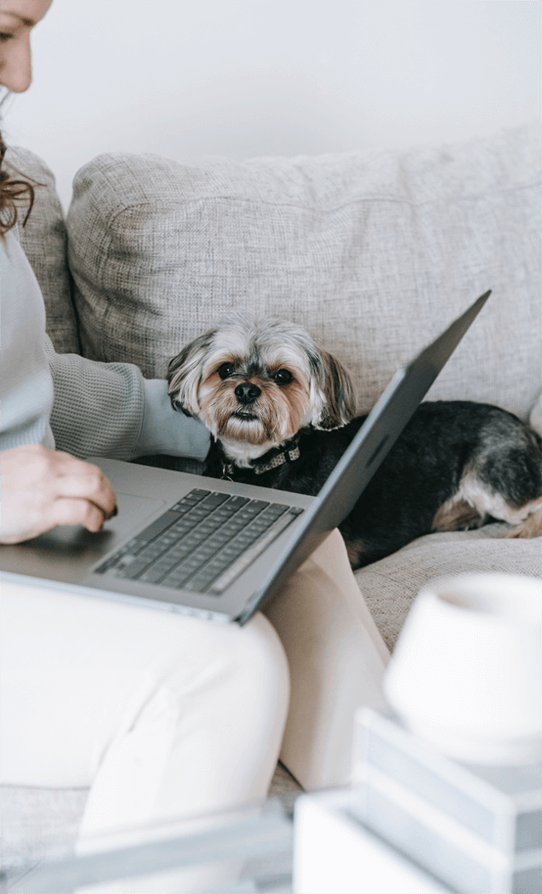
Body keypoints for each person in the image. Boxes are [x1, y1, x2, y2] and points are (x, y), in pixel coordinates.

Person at [0, 2, 388, 891]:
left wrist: (214, 420)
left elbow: (28, 378)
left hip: (43, 546)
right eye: (1, 32)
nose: (22, 76)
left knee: (290, 538)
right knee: (222, 669)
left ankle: (415, 855)